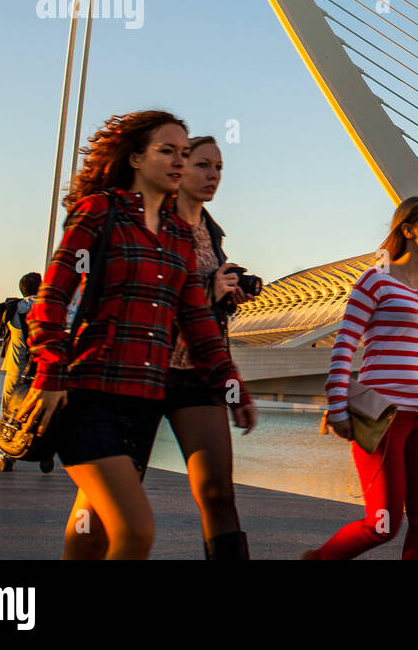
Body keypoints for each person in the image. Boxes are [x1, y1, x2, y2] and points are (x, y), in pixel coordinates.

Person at [20, 110, 256, 560]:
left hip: (143, 400)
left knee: (93, 532)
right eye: (167, 151)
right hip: (90, 396)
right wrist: (50, 373)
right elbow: (50, 298)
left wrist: (232, 385)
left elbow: (198, 323)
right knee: (135, 530)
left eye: (184, 154)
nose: (179, 163)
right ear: (134, 158)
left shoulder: (177, 237)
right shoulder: (99, 213)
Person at [303, 196, 418, 561]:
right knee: (383, 524)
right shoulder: (376, 281)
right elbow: (345, 345)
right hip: (382, 414)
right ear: (408, 229)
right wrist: (337, 408)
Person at [161, 135, 255, 560]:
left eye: (218, 167)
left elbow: (207, 314)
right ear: (178, 170)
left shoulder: (211, 231)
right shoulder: (151, 222)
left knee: (218, 493)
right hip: (144, 369)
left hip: (199, 372)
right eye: (203, 165)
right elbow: (148, 296)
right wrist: (208, 288)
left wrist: (226, 292)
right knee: (108, 505)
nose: (213, 175)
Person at [0, 272, 51, 473]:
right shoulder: (49, 307)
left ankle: (7, 455)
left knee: (9, 411)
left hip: (17, 366)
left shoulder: (14, 309)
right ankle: (45, 454)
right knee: (42, 411)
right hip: (41, 366)